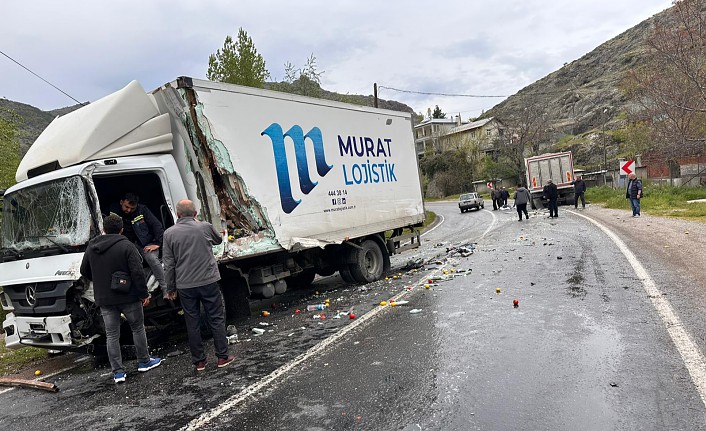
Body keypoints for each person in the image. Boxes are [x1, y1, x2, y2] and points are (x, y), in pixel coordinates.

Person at [80, 214, 162, 384]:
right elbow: (137, 272)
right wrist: (144, 294)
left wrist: (101, 281)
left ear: (104, 229)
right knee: (137, 328)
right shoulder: (127, 246)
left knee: (112, 335)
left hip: (105, 298)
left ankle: (118, 372)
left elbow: (84, 270)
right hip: (128, 296)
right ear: (121, 229)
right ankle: (144, 361)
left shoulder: (92, 247)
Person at [162, 199, 234, 371]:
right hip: (208, 280)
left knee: (192, 322)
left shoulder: (169, 234)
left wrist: (170, 288)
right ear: (195, 214)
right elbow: (218, 240)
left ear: (177, 214)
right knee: (216, 318)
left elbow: (169, 264)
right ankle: (222, 357)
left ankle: (199, 361)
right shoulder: (204, 227)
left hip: (185, 285)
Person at [110, 193, 167, 295]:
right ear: (121, 202)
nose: (129, 210)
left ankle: (166, 289)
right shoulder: (113, 210)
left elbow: (157, 225)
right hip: (126, 245)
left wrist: (157, 243)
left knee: (152, 259)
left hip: (145, 244)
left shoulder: (142, 209)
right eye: (126, 207)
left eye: (132, 208)